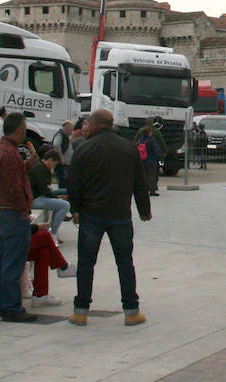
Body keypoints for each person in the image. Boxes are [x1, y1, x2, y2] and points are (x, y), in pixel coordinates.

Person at [68, 109, 152, 327]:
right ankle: (131, 311)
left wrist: (75, 209)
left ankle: (80, 311)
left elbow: (73, 184)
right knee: (125, 263)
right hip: (120, 215)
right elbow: (139, 183)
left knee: (86, 263)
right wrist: (144, 210)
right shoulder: (128, 148)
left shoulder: (82, 148)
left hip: (91, 214)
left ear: (95, 125)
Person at [0, 189, 77, 308]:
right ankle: (62, 267)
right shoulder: (2, 200)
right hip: (1, 246)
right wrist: (36, 227)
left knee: (42, 251)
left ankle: (41, 295)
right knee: (44, 236)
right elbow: (15, 229)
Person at [0, 112, 39, 322]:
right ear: (19, 130)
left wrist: (27, 164)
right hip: (11, 211)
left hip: (0, 209)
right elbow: (13, 187)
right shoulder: (9, 153)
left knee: (2, 258)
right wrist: (23, 210)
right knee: (13, 261)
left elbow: (12, 176)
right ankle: (11, 307)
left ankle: (2, 302)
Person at [27, 149, 72, 242]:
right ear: (50, 160)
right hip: (34, 199)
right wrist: (57, 198)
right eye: (54, 164)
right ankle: (53, 233)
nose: (53, 167)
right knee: (65, 205)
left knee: (60, 202)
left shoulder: (40, 166)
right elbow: (44, 189)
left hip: (35, 196)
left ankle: (53, 231)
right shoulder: (40, 169)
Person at [136, 117, 167, 192]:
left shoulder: (140, 131)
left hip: (142, 158)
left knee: (144, 174)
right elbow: (161, 143)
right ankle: (153, 188)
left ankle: (144, 187)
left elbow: (135, 142)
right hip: (152, 159)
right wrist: (163, 153)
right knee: (153, 174)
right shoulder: (156, 132)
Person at [51, 121, 73, 189]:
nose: (72, 131)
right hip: (62, 165)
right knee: (63, 185)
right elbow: (56, 145)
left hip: (66, 165)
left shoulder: (65, 136)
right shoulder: (60, 135)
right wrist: (61, 158)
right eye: (71, 128)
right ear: (67, 127)